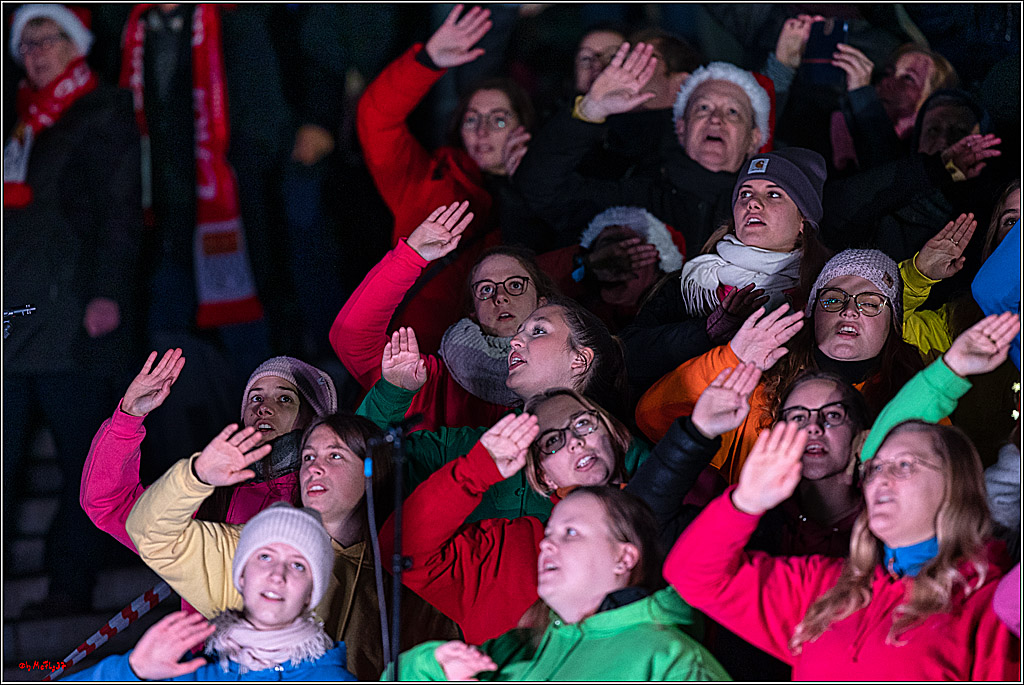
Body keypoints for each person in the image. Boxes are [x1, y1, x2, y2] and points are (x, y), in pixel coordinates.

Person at [665, 312, 1021, 680]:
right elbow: (693, 576)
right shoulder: (827, 590)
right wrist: (746, 501)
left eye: (904, 466)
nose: (882, 477)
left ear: (955, 483)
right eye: (877, 468)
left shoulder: (993, 605)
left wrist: (950, 370)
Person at [124, 413, 459, 680]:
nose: (314, 467)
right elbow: (151, 535)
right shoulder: (259, 553)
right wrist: (197, 476)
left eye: (335, 455)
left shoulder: (410, 574)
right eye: (308, 456)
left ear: (374, 470)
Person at [3, 3, 142, 615]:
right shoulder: (19, 121)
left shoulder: (103, 108)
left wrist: (108, 292)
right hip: (14, 320)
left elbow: (120, 210)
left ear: (77, 43)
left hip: (72, 318)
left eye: (46, 38)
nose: (33, 52)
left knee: (79, 456)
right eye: (24, 42)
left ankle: (70, 584)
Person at [637, 248, 923, 484]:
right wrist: (732, 358)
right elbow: (652, 418)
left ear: (893, 322)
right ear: (812, 315)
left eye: (871, 303)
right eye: (833, 299)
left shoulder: (915, 401)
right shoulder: (758, 390)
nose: (849, 311)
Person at [356, 4, 548, 352]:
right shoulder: (428, 177)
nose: (483, 131)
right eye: (472, 119)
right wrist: (428, 61)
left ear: (525, 129)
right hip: (418, 358)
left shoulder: (549, 191)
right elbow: (375, 119)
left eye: (499, 120)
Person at [396, 486, 729, 681]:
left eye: (570, 533)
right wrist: (431, 666)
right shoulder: (513, 649)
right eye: (548, 533)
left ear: (624, 558)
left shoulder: (671, 660)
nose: (546, 545)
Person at [359, 295, 636, 524]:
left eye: (538, 331)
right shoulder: (472, 446)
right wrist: (393, 390)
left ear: (579, 359)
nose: (514, 341)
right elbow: (359, 465)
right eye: (518, 334)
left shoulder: (623, 445)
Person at [516, 42, 775, 260]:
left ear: (754, 138)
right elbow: (543, 192)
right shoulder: (640, 198)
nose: (716, 119)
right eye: (703, 108)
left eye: (732, 112)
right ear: (682, 129)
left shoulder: (774, 207)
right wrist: (590, 111)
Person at [621, 146, 832, 398]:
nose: (752, 203)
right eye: (744, 193)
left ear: (803, 222)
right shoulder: (691, 283)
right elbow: (628, 356)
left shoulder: (825, 290)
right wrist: (707, 331)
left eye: (774, 194)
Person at [330, 201, 558, 432]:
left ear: (542, 302)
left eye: (516, 285)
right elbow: (352, 338)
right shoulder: (430, 380)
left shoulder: (574, 370)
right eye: (485, 289)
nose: (500, 297)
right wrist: (411, 256)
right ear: (473, 311)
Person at [81, 351, 337, 553]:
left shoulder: (336, 493)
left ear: (315, 417)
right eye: (255, 398)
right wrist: (128, 416)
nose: (264, 408)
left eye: (284, 399)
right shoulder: (204, 495)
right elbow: (111, 506)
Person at [64, 504, 356, 681]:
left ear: (311, 593)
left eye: (297, 565)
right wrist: (132, 671)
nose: (277, 575)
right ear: (241, 575)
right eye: (264, 557)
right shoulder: (191, 672)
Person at [534, 205, 685, 333]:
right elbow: (525, 280)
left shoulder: (661, 319)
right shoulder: (575, 268)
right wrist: (587, 266)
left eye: (633, 252)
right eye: (608, 243)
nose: (616, 257)